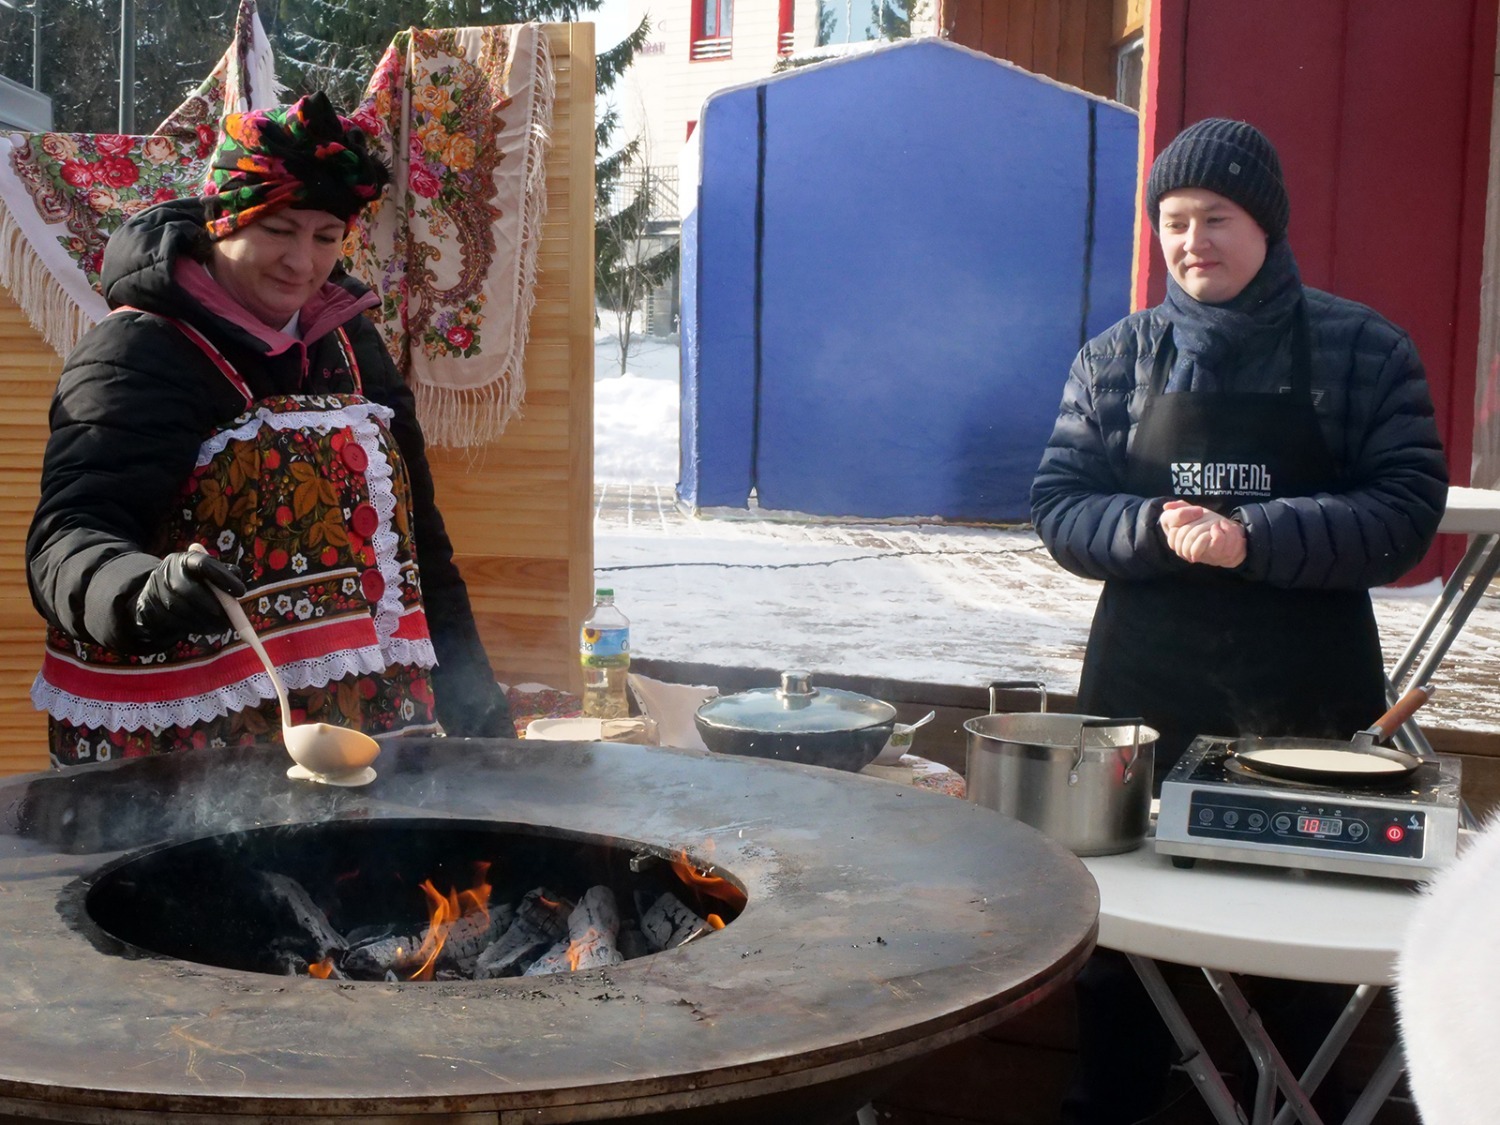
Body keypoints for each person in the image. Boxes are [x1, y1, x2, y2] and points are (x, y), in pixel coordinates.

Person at [1031, 118, 1448, 1122]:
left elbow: (1405, 510)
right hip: (1141, 701)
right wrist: (1146, 528)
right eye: (1173, 221)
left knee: (1304, 945)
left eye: (1214, 216)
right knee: (1118, 953)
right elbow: (1058, 501)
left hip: (1307, 709)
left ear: (1265, 224)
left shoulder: (1360, 348)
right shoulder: (1119, 359)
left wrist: (1253, 539)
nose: (1191, 240)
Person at [27, 92, 514, 765]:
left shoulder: (350, 344)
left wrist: (475, 707)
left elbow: (419, 542)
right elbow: (69, 535)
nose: (302, 262)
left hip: (349, 725)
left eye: (325, 236)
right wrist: (143, 590)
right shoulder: (140, 352)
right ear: (224, 222)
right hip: (175, 742)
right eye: (280, 229)